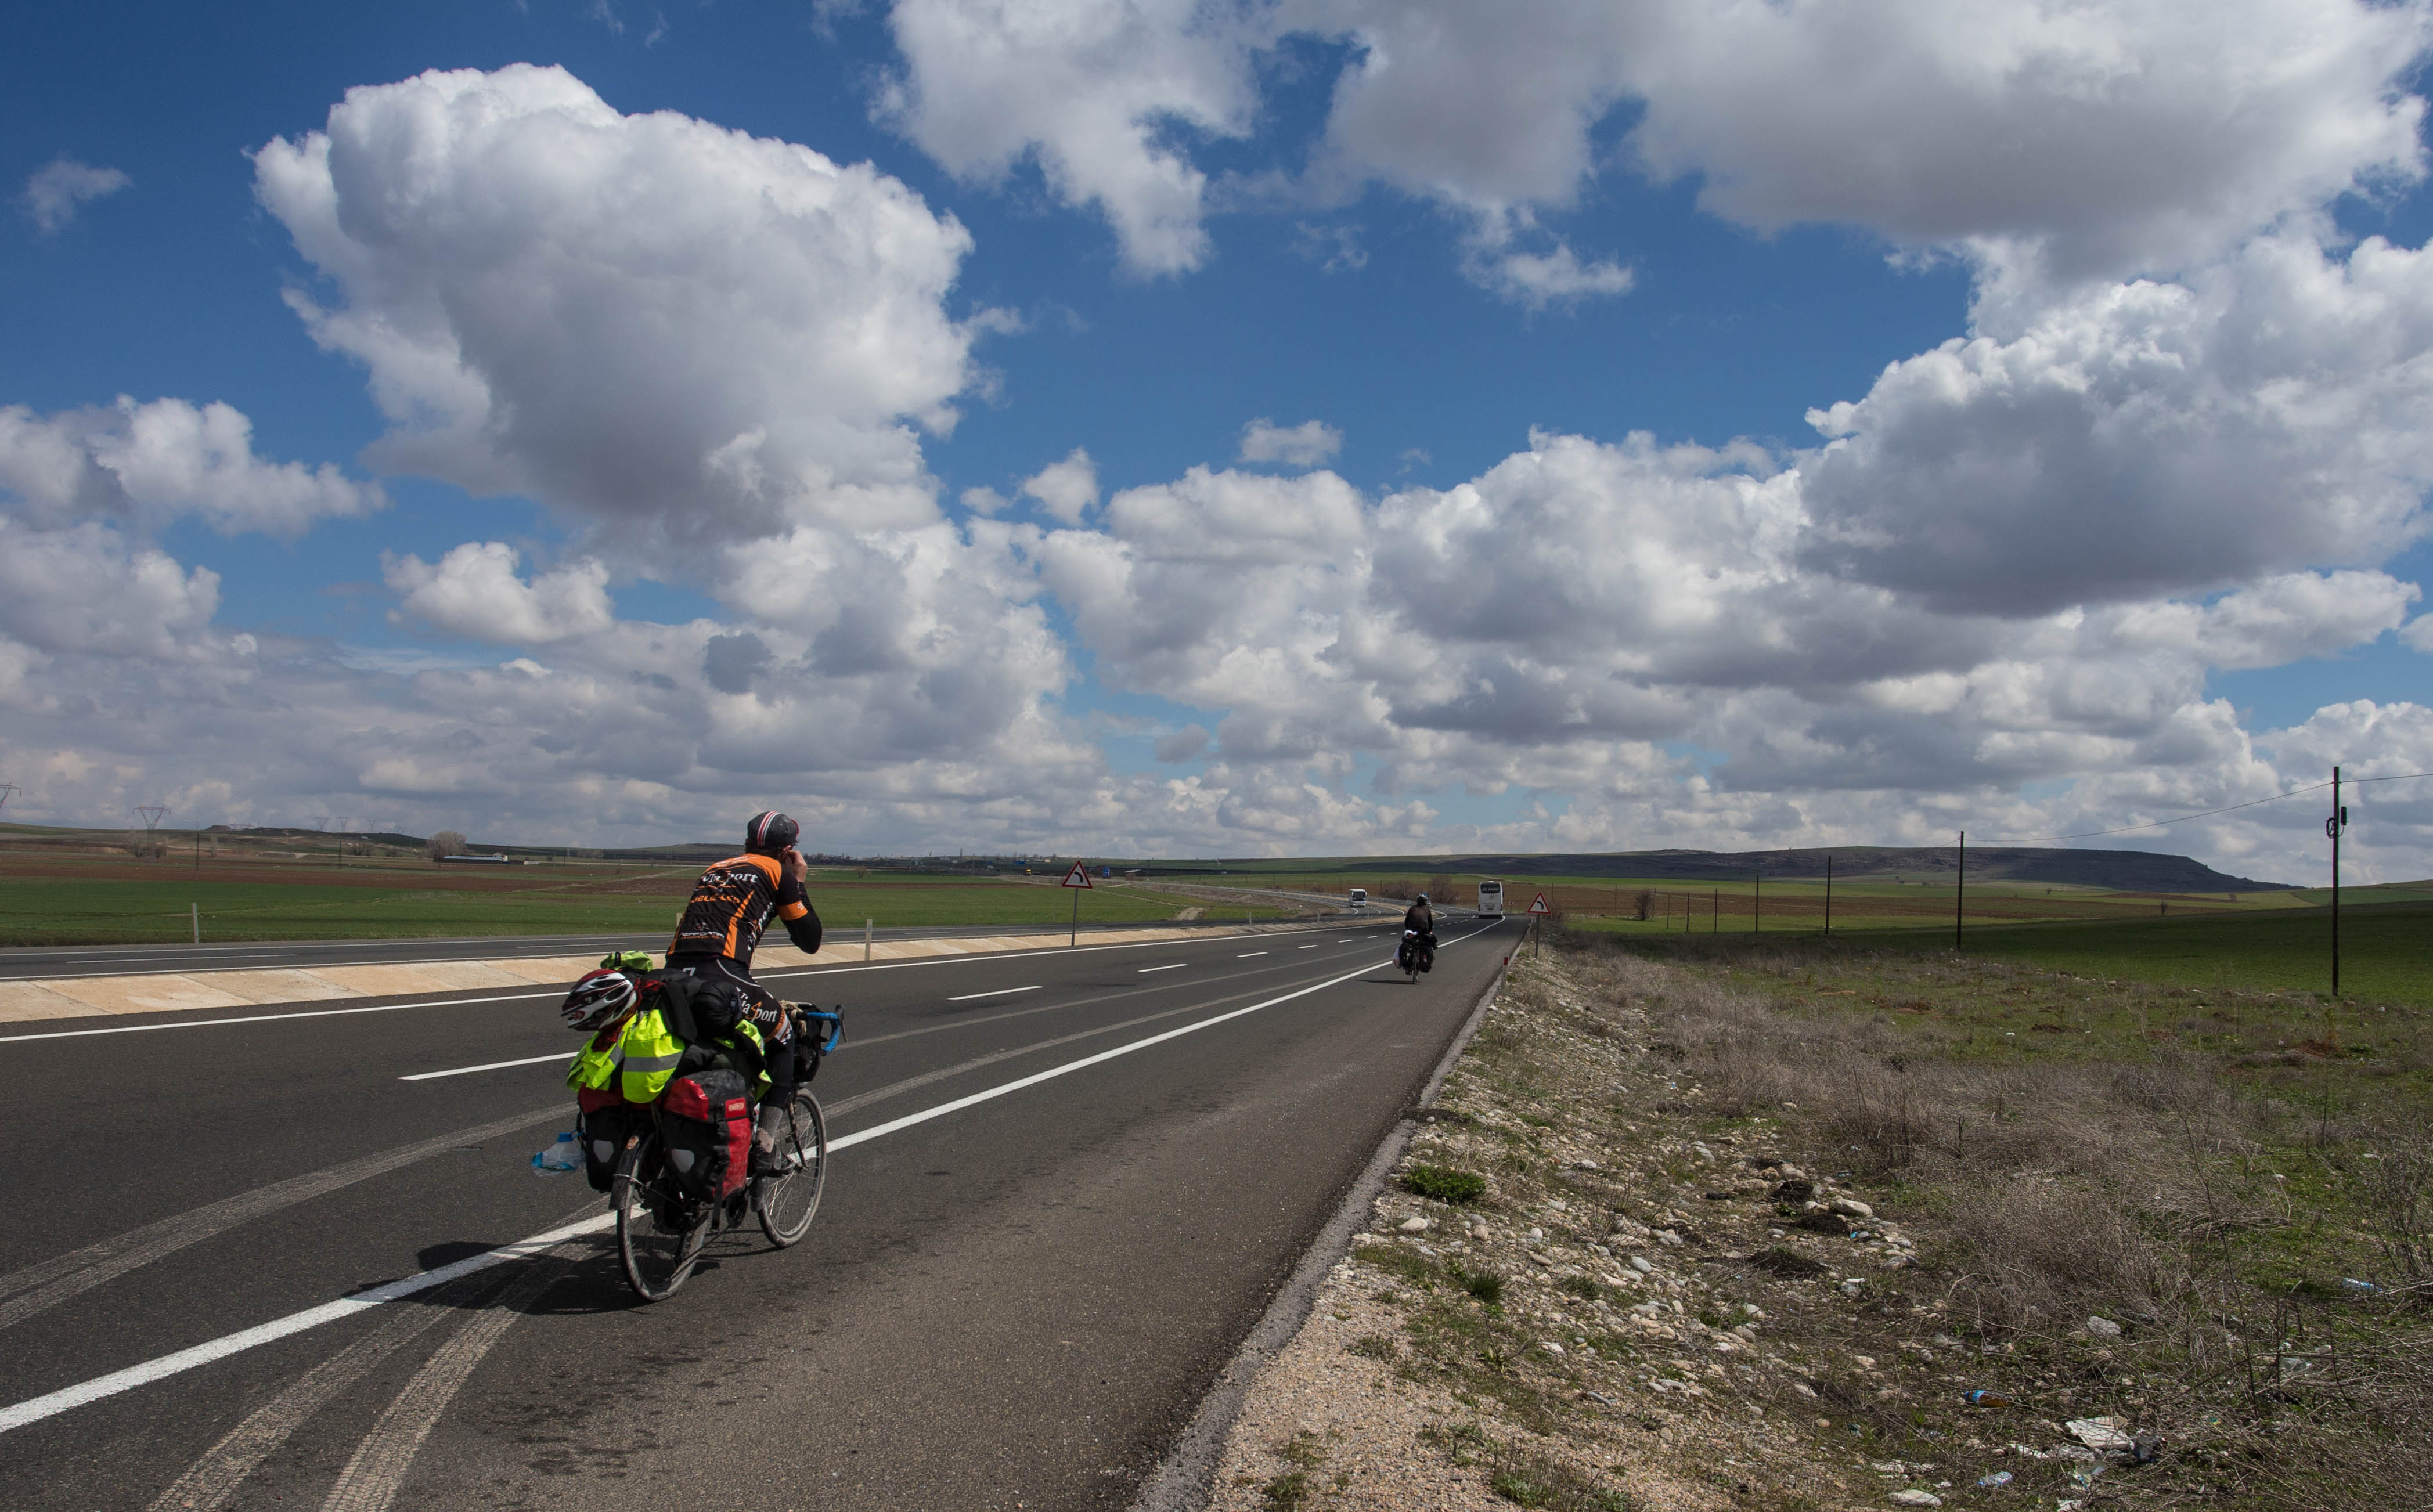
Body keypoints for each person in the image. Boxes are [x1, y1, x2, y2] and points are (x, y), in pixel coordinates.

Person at [663, 810, 824, 1171]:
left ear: (748, 843)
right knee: (783, 1033)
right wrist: (798, 882)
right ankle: (764, 1147)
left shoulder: (715, 869)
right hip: (721, 977)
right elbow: (810, 939)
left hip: (671, 977)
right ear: (787, 850)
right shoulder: (777, 871)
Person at [1401, 892, 1436, 970]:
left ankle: (1407, 964)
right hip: (1423, 932)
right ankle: (1424, 963)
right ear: (1425, 902)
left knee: (1405, 943)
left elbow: (1406, 921)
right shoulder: (1427, 910)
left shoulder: (1412, 909)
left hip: (1412, 932)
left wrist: (1408, 929)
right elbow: (1431, 923)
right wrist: (1429, 931)